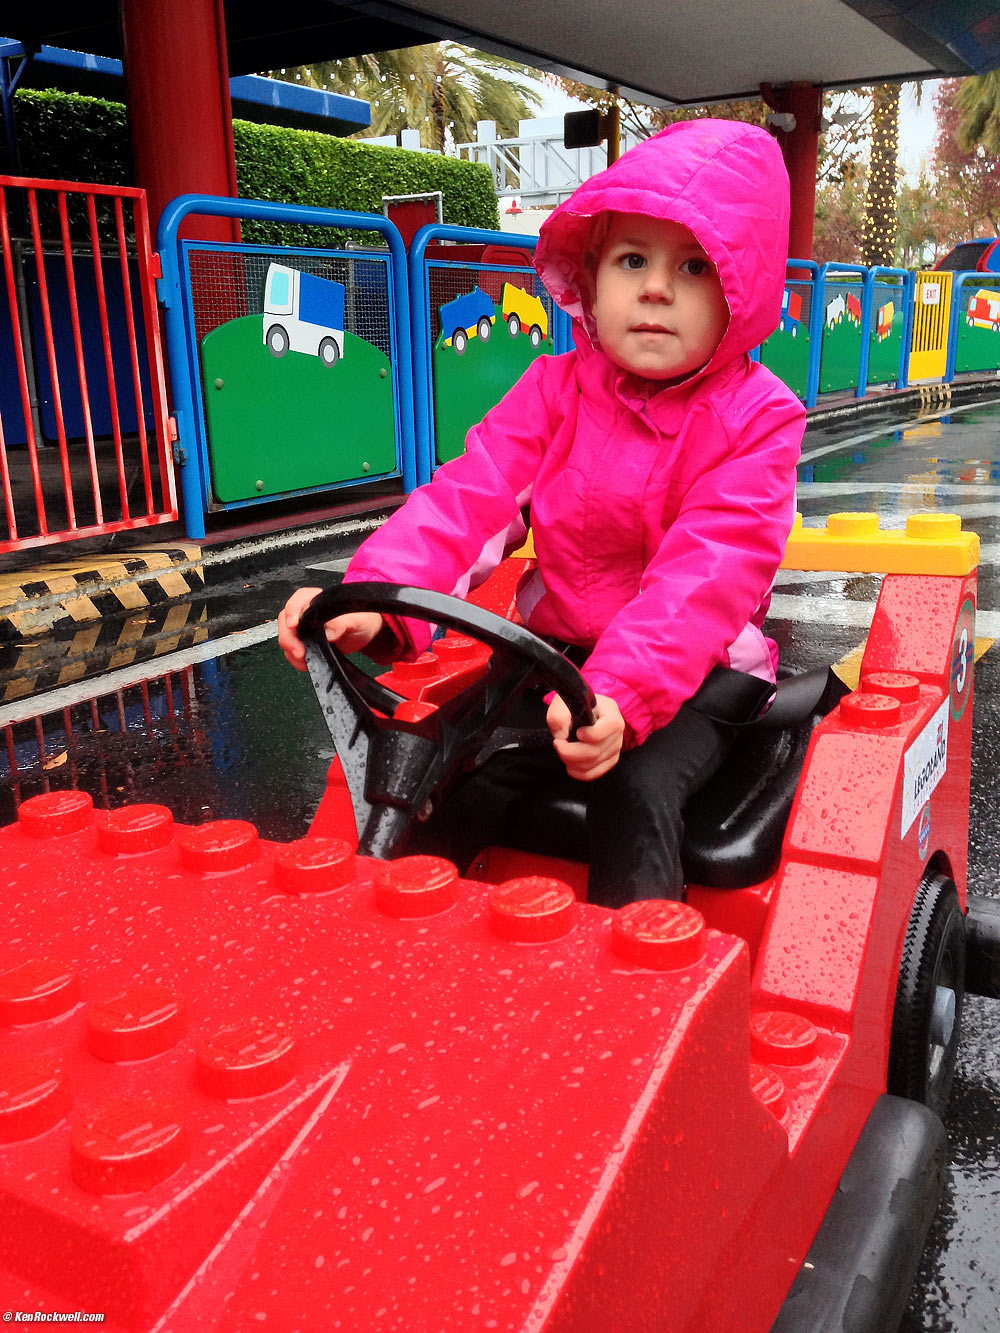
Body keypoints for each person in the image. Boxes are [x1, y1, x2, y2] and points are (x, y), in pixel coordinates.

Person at [278, 118, 806, 907]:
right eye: (633, 260)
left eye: (694, 266)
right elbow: (469, 497)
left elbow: (704, 576)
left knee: (635, 790)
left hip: (691, 677)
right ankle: (395, 954)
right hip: (551, 654)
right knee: (433, 767)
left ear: (743, 290)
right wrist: (376, 599)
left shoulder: (760, 420)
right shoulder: (556, 392)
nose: (657, 288)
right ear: (592, 277)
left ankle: (641, 993)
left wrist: (622, 697)